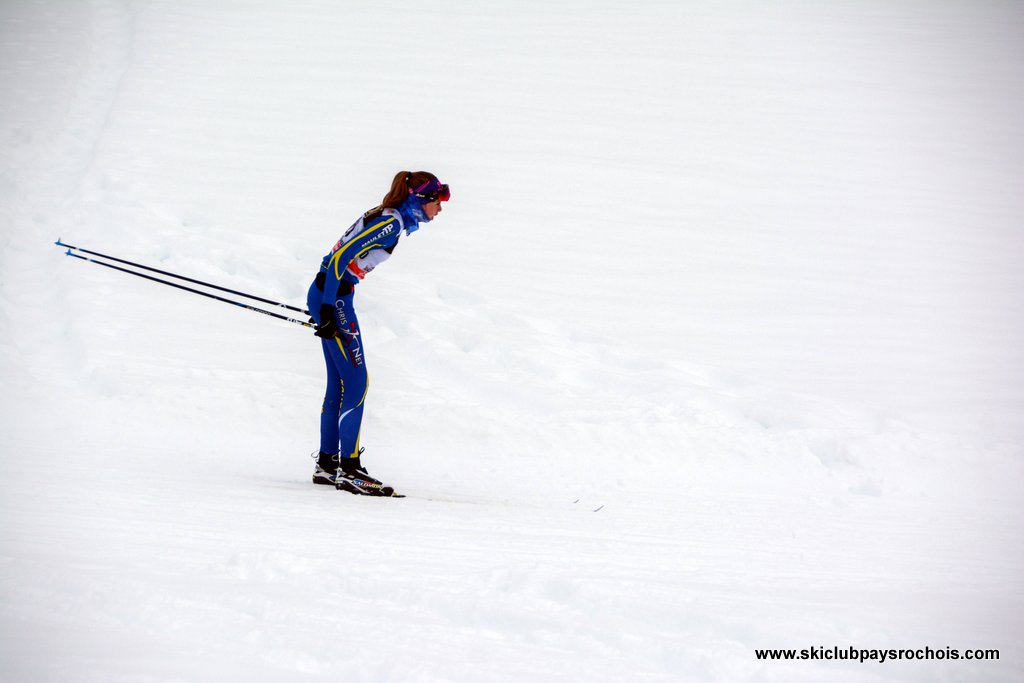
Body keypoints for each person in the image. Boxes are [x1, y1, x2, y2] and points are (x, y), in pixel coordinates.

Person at [307, 171, 450, 496]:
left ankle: (329, 464)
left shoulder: (388, 217)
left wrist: (325, 302)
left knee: (339, 382)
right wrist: (329, 307)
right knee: (358, 381)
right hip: (335, 297)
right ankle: (351, 468)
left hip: (329, 294)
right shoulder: (391, 223)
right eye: (437, 203)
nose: (439, 210)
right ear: (422, 200)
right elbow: (342, 258)